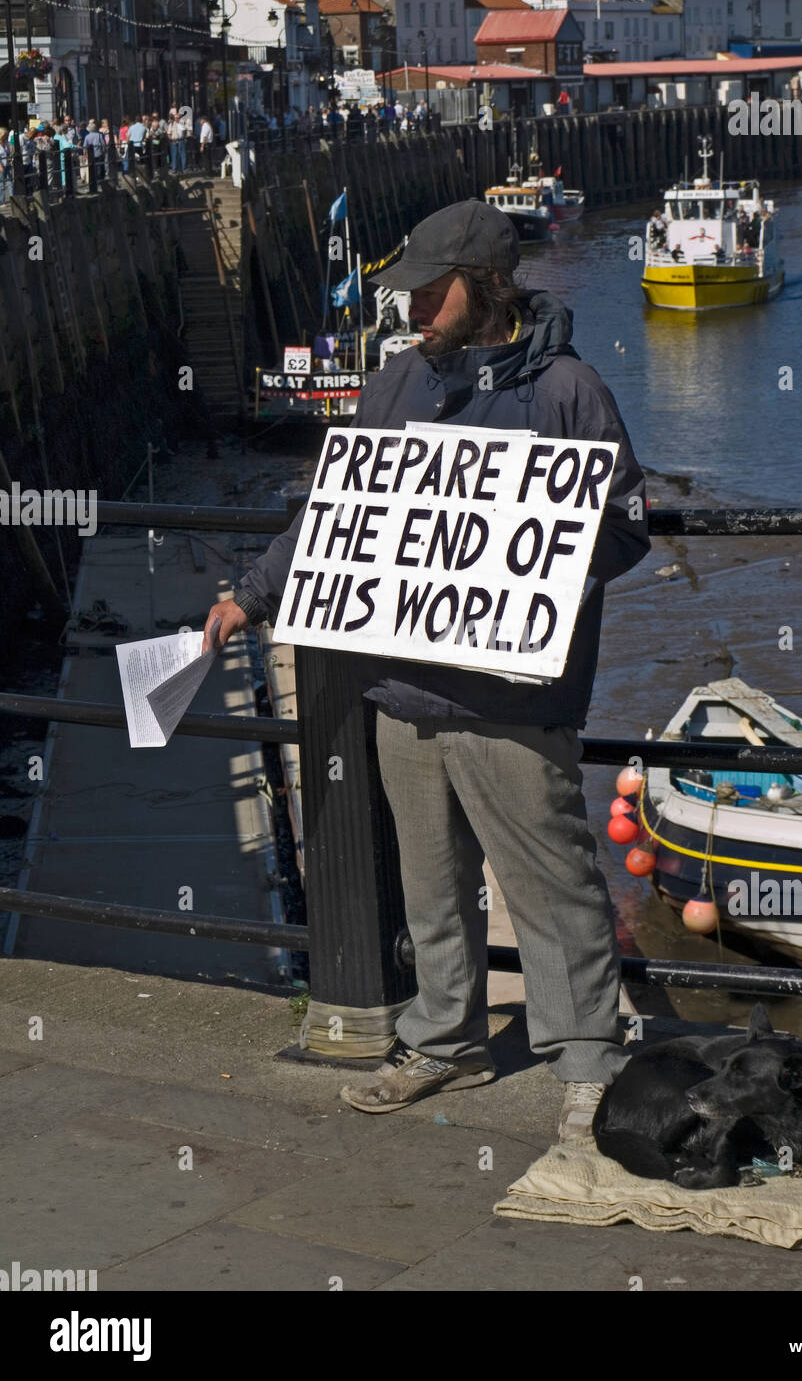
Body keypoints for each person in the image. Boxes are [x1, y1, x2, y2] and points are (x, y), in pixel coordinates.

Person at [202, 201, 650, 1144]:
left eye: (429, 290)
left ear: (485, 287)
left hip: (513, 700)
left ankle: (588, 1062)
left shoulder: (570, 390)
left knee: (552, 884)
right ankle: (443, 1038)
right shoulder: (394, 384)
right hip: (403, 692)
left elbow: (626, 526)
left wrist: (545, 550)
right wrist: (252, 592)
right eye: (407, 290)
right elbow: (333, 510)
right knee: (430, 883)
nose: (411, 307)